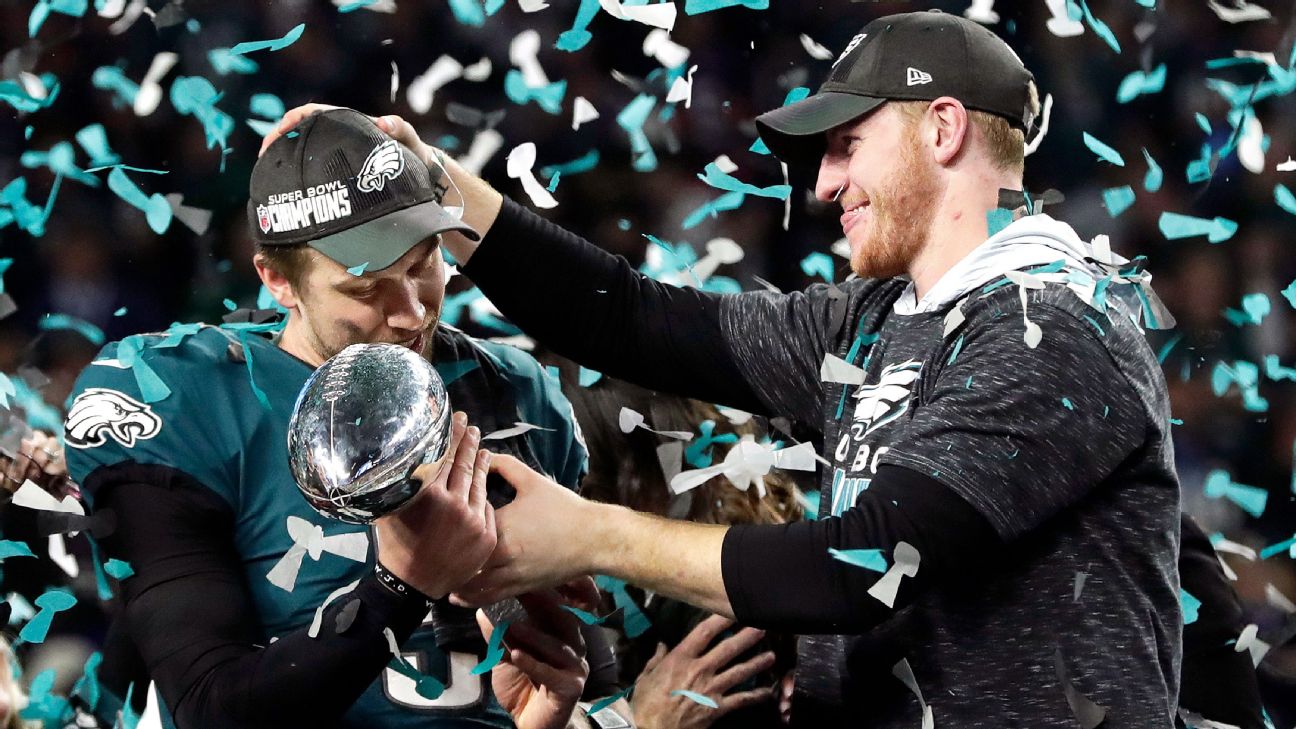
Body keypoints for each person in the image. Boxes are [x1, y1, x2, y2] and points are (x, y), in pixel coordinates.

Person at [263, 11, 1260, 727]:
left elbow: (863, 568)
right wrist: (436, 187)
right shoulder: (877, 317)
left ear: (945, 130)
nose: (824, 183)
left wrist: (590, 536)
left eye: (847, 146)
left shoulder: (1052, 322)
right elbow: (638, 323)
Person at [61, 108, 606, 729]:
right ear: (277, 280)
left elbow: (591, 674)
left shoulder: (515, 392)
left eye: (422, 264)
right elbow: (211, 707)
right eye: (366, 288)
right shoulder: (184, 396)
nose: (409, 313)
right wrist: (402, 586)